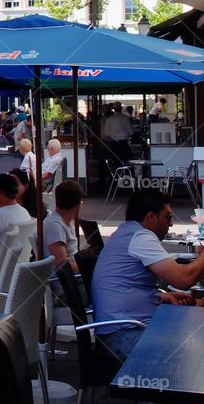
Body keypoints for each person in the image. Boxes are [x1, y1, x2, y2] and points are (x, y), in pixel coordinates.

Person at [92, 191, 204, 358]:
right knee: (195, 341)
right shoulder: (141, 237)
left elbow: (128, 284)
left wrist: (163, 297)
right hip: (125, 335)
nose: (171, 224)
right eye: (168, 217)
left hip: (120, 330)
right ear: (151, 216)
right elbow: (184, 279)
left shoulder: (125, 233)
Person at [43, 180, 83, 271]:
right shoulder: (55, 227)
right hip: (69, 282)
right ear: (78, 205)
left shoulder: (60, 222)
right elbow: (63, 266)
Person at [102, 102, 133, 168]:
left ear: (113, 109)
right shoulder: (125, 118)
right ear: (121, 108)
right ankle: (127, 176)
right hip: (124, 144)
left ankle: (117, 177)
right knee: (127, 163)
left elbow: (106, 133)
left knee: (115, 164)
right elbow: (131, 132)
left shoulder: (109, 119)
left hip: (114, 144)